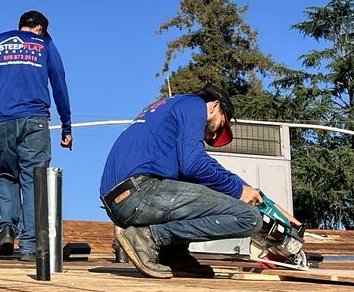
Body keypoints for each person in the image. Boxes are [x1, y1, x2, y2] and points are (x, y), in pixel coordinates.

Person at [99, 86, 264, 279]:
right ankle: (147, 238)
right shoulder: (195, 104)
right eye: (221, 124)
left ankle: (173, 255)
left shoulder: (169, 109)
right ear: (214, 106)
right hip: (140, 193)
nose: (212, 136)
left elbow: (208, 166)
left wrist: (245, 188)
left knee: (195, 184)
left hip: (121, 199)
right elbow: (194, 165)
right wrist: (237, 191)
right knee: (249, 218)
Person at [0, 10, 72, 259]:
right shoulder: (45, 45)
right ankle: (29, 245)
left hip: (2, 120)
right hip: (34, 120)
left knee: (6, 175)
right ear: (39, 29)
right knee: (34, 180)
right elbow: (59, 83)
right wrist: (66, 125)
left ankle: (7, 230)